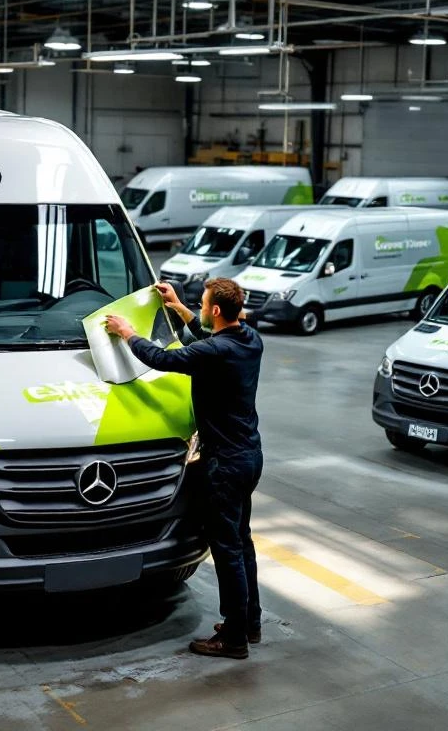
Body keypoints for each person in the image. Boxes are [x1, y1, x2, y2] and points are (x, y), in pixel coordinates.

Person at [105, 278, 264, 660]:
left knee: (227, 550)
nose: (200, 308)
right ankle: (249, 622)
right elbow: (207, 338)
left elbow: (162, 359)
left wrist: (127, 332)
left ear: (215, 310)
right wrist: (178, 307)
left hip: (224, 464)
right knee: (242, 542)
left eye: (203, 303)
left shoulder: (215, 351)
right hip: (250, 456)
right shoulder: (250, 340)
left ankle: (234, 639)